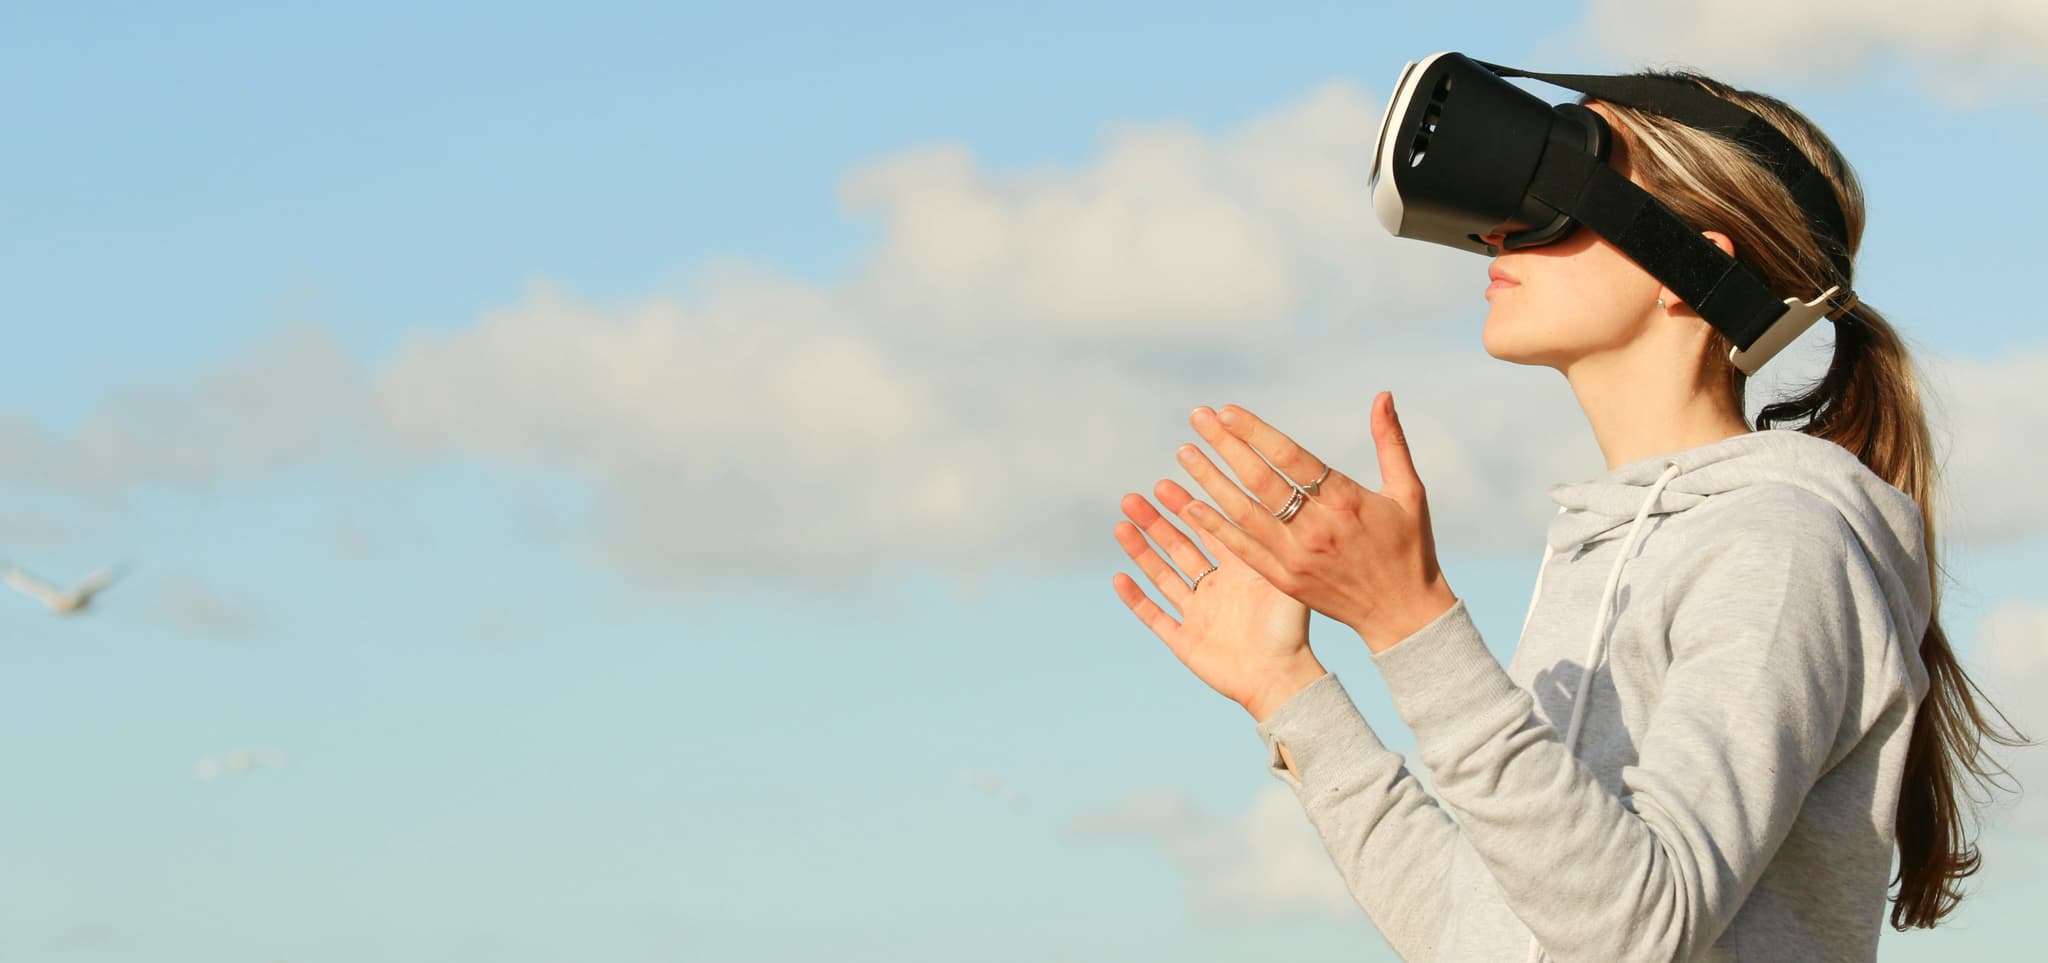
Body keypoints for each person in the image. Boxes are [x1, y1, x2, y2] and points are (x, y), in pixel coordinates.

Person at [1109, 69, 2028, 961]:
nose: (1503, 227)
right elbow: (1485, 938)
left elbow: (1638, 932)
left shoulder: (1783, 545)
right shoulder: (1599, 553)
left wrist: (1409, 620)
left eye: (1560, 185)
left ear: (1693, 267)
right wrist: (1288, 690)